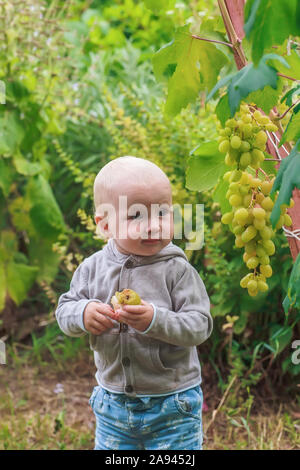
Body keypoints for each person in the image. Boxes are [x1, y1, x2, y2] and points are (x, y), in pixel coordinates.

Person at [55, 155, 213, 450]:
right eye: (136, 216)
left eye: (163, 213)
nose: (153, 226)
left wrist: (155, 319)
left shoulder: (177, 270)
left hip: (172, 404)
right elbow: (64, 309)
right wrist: (83, 312)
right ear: (104, 225)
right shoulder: (92, 268)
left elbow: (200, 326)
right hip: (113, 405)